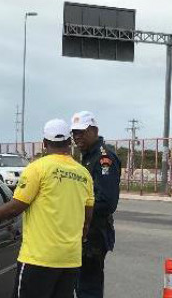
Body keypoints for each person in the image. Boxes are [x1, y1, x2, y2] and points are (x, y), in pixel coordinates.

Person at [0, 119, 94, 298]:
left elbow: (15, 208)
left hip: (39, 260)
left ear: (44, 143)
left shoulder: (37, 169)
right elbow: (87, 219)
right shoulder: (84, 174)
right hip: (70, 260)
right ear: (69, 142)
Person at [70, 111, 121, 298]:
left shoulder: (103, 158)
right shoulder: (87, 157)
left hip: (94, 234)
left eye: (82, 132)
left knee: (88, 288)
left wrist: (75, 210)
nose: (77, 137)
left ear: (94, 130)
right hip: (84, 232)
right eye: (74, 132)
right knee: (81, 285)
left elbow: (107, 202)